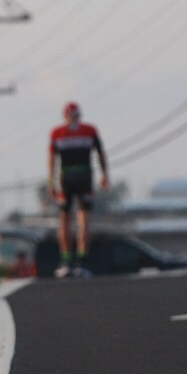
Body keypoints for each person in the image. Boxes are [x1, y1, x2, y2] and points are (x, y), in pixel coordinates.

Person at [48, 101, 109, 278]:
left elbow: (52, 160)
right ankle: (75, 261)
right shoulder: (83, 131)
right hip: (77, 177)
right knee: (76, 220)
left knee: (73, 220)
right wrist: (104, 175)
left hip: (73, 177)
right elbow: (100, 154)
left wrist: (51, 182)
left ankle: (73, 261)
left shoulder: (65, 132)